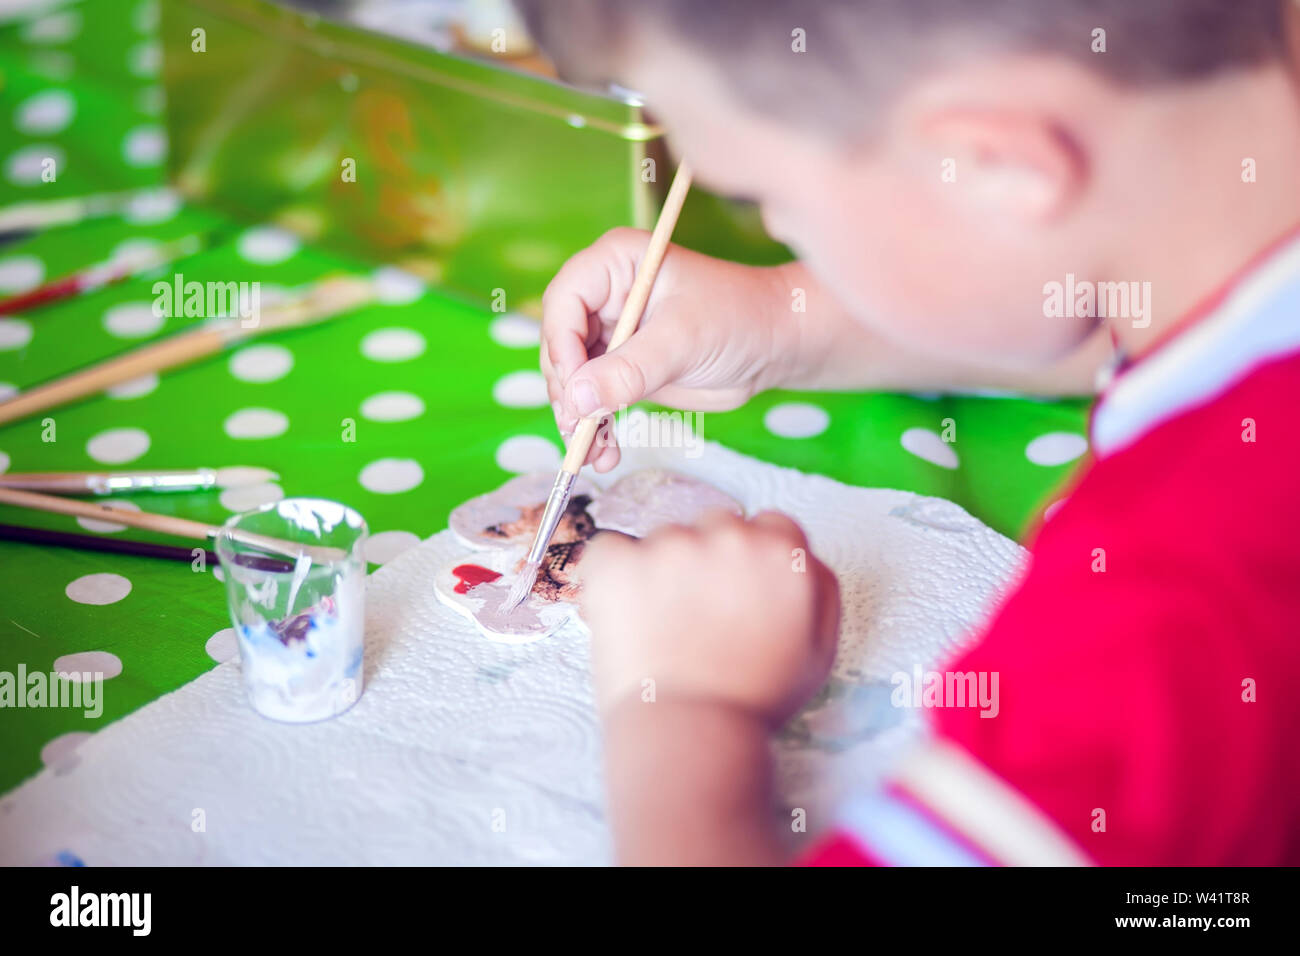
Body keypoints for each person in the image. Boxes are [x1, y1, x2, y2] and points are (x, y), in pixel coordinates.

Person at [514, 0, 1300, 864]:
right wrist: (791, 320)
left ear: (992, 164)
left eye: (763, 198)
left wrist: (692, 712)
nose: (777, 232)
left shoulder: (1178, 602)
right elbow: (1138, 320)